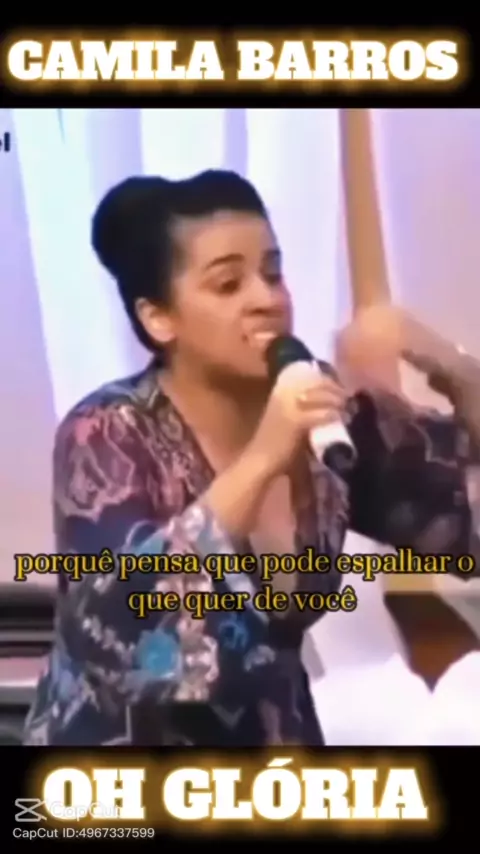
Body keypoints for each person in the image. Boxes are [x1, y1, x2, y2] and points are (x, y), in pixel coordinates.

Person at [24, 170, 480, 746]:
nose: (267, 300)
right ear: (158, 317)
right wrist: (266, 454)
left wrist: (452, 366)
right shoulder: (106, 432)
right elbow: (132, 641)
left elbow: (465, 518)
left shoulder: (325, 410)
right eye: (228, 284)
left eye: (273, 273)